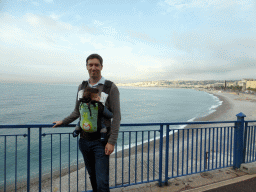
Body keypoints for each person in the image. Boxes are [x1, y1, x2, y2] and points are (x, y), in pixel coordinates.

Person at [53, 53, 121, 192]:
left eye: (96, 64)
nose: (93, 67)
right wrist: (63, 121)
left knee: (102, 181)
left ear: (101, 66)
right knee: (93, 177)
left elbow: (117, 116)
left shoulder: (110, 87)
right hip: (84, 141)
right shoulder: (81, 87)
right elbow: (77, 112)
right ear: (86, 67)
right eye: (90, 65)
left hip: (101, 142)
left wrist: (112, 141)